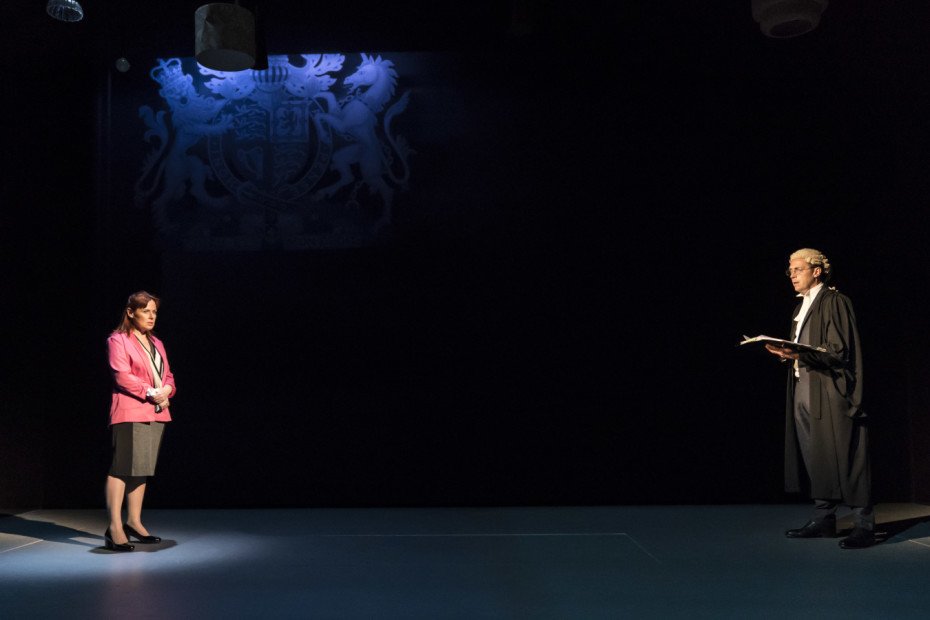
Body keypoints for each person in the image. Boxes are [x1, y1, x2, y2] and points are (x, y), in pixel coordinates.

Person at [764, 249, 874, 549]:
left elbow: (837, 351)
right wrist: (789, 353)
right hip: (804, 387)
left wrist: (797, 352)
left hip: (829, 390)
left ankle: (864, 524)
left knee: (847, 455)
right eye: (790, 270)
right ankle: (824, 519)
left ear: (817, 271)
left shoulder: (835, 301)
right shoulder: (801, 306)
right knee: (816, 454)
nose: (792, 275)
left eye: (798, 269)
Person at [103, 291, 176, 551]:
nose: (151, 316)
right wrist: (153, 392)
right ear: (131, 312)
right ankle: (114, 527)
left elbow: (168, 377)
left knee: (141, 467)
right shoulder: (118, 340)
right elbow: (121, 375)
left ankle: (134, 521)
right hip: (130, 410)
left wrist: (166, 391)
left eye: (154, 311)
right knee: (122, 467)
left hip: (155, 412)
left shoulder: (158, 343)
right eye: (146, 310)